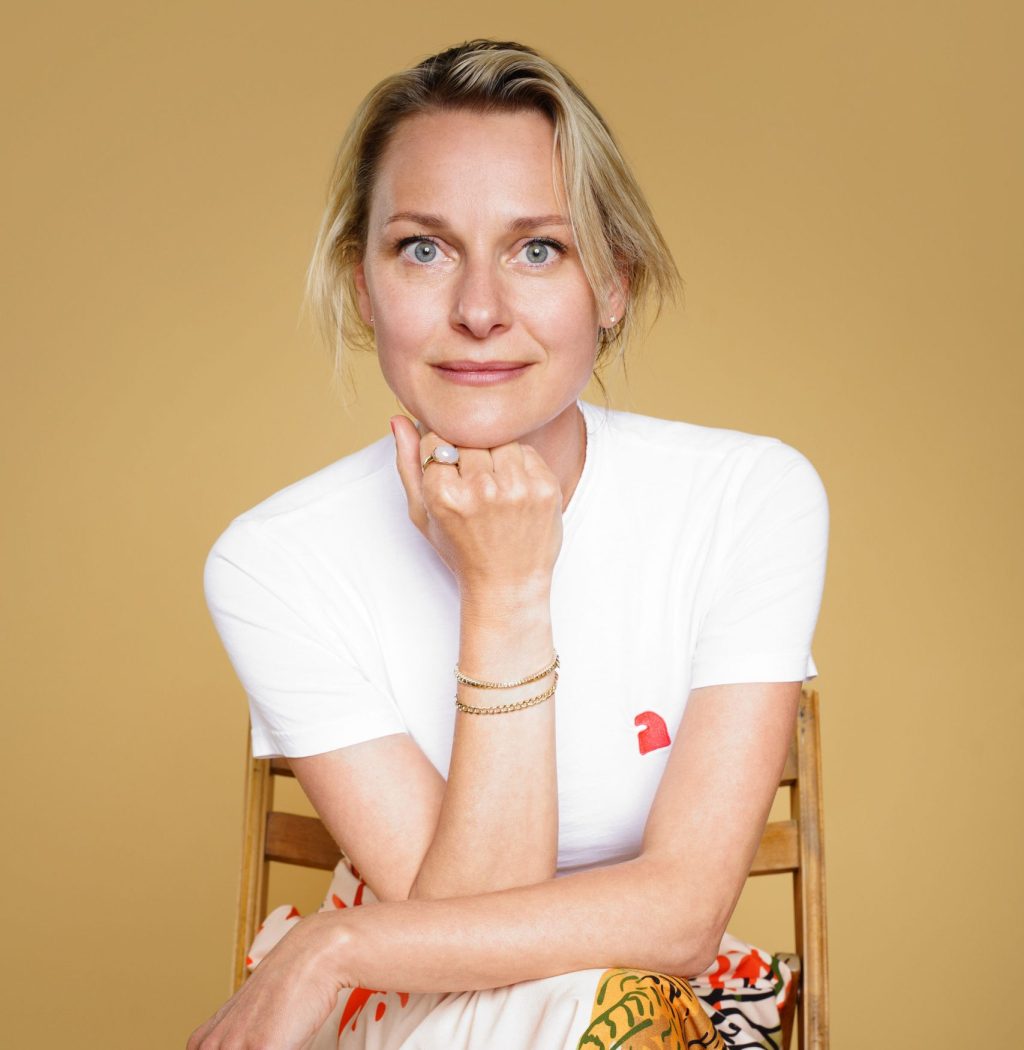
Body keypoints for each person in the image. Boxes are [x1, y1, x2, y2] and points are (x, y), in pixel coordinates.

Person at [190, 39, 829, 1050]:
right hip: (411, 1019)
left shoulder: (747, 498)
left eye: (538, 250)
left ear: (612, 285)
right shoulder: (273, 561)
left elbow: (682, 915)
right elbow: (459, 977)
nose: (479, 311)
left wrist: (331, 948)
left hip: (654, 1018)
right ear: (362, 284)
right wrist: (507, 595)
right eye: (423, 249)